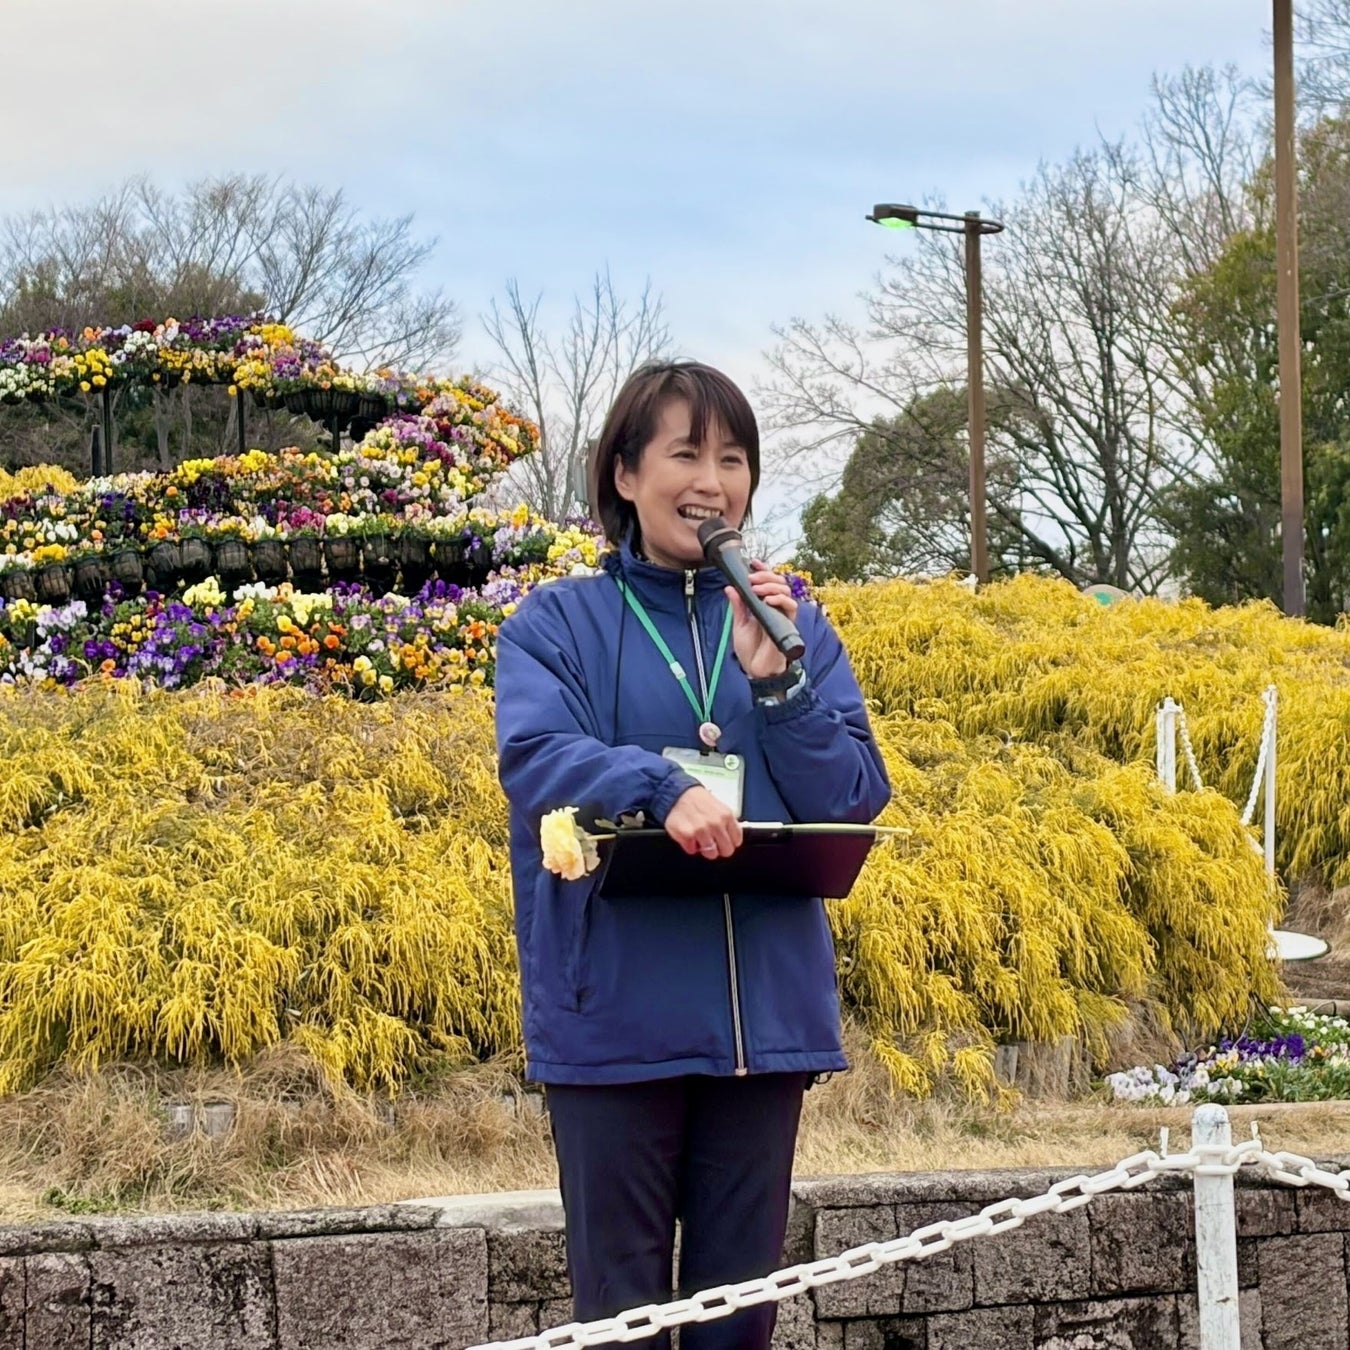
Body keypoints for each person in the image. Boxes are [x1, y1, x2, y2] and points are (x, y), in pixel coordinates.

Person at [494, 361, 891, 1350]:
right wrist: (660, 788)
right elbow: (538, 755)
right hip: (613, 1022)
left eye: (733, 459)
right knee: (621, 1321)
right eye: (685, 455)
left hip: (764, 1027)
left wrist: (781, 688)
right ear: (625, 474)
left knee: (736, 1322)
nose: (713, 482)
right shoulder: (557, 624)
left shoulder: (793, 623)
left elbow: (852, 795)